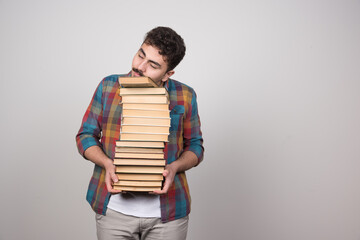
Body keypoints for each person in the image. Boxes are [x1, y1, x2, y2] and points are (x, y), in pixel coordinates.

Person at [76, 26, 204, 240]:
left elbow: (195, 146)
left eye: (153, 65)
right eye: (140, 55)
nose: (140, 67)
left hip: (168, 213)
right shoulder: (108, 86)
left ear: (168, 73)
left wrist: (174, 168)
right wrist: (107, 163)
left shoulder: (185, 95)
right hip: (114, 210)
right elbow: (85, 136)